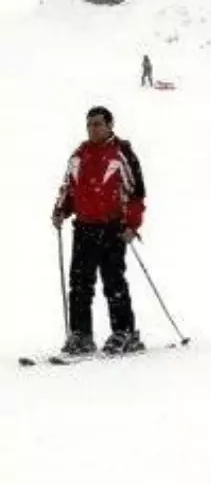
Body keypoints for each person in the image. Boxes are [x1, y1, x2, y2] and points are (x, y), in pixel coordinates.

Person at [51, 106, 148, 356]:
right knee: (80, 284)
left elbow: (136, 193)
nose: (93, 128)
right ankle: (81, 336)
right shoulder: (78, 155)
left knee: (113, 281)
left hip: (112, 228)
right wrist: (61, 209)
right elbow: (68, 188)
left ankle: (124, 332)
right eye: (89, 124)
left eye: (98, 124)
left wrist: (131, 225)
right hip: (84, 227)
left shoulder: (121, 153)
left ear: (109, 125)